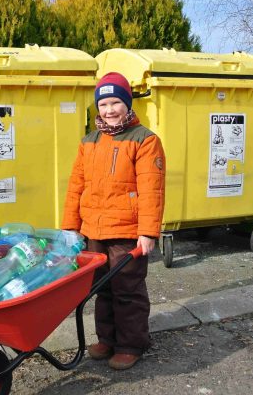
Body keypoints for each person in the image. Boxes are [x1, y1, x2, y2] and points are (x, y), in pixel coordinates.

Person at [62, 72, 165, 370]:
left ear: (127, 104)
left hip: (127, 232)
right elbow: (75, 188)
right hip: (93, 230)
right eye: (103, 104)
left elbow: (151, 190)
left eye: (115, 102)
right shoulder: (89, 141)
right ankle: (107, 338)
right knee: (100, 288)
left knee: (127, 289)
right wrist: (70, 228)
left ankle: (131, 343)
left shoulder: (144, 140)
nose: (109, 110)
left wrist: (148, 232)